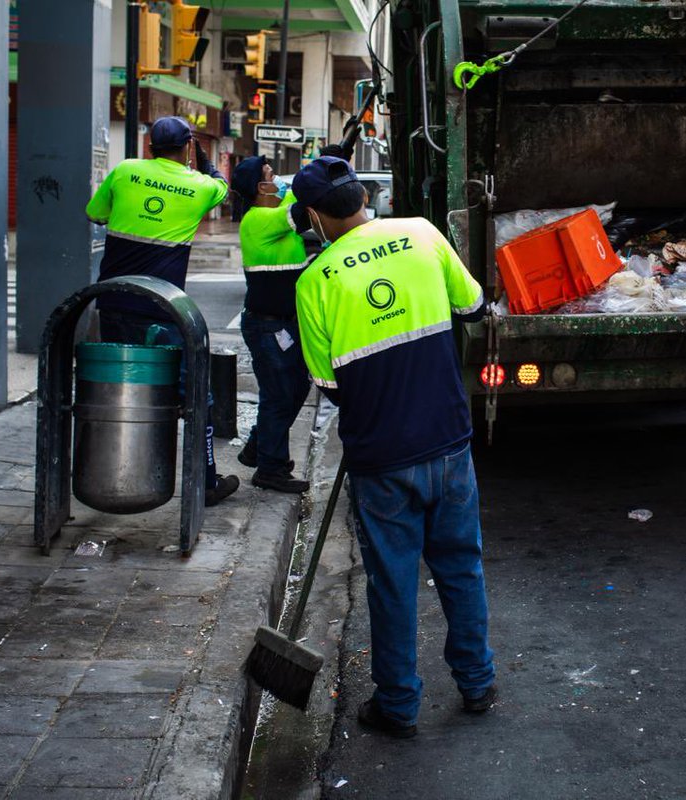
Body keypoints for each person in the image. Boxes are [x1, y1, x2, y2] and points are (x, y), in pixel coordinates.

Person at [293, 157, 496, 738]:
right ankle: (477, 683)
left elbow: (328, 385)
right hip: (449, 442)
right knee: (461, 567)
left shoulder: (314, 282)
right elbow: (473, 306)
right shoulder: (423, 232)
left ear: (314, 217)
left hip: (381, 457)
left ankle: (398, 705)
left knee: (393, 583)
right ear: (361, 197)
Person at [85, 116, 239, 506]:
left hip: (114, 301)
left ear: (149, 145)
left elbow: (95, 214)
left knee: (119, 388)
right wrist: (201, 161)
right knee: (193, 394)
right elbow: (222, 185)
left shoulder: (124, 171)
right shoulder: (201, 185)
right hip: (162, 311)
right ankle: (205, 482)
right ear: (188, 146)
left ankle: (120, 470)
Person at [230, 156, 311, 494]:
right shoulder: (258, 220)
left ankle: (258, 447)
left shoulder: (276, 210)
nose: (277, 178)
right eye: (270, 174)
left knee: (298, 390)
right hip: (267, 327)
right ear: (259, 188)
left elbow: (299, 199)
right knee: (278, 396)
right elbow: (304, 210)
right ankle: (271, 469)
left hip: (285, 326)